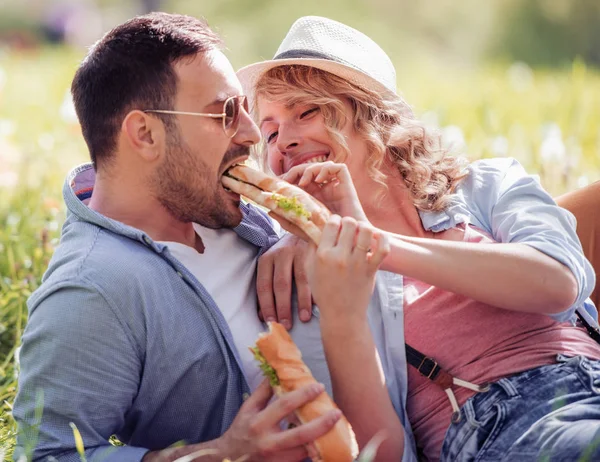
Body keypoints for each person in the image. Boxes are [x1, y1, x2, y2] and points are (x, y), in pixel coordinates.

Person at [238, 15, 600, 461]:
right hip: (501, 428)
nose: (284, 142)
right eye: (270, 132)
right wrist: (344, 310)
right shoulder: (310, 280)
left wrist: (377, 245)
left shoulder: (486, 186)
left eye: (306, 111)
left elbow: (559, 281)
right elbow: (381, 453)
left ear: (371, 114)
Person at [12, 13, 353, 462]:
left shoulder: (225, 206)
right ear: (145, 134)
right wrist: (221, 454)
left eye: (245, 110)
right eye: (225, 113)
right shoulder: (91, 291)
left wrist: (298, 234)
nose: (251, 135)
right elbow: (45, 456)